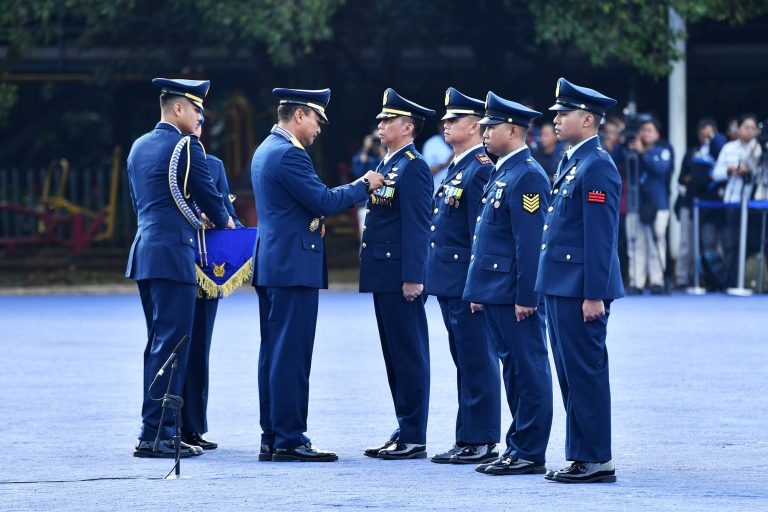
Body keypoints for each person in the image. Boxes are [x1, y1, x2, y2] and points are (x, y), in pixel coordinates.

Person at [250, 88, 384, 462]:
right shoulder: (290, 155)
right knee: (291, 355)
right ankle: (290, 438)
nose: (320, 128)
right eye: (317, 120)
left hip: (275, 264)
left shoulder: (265, 149)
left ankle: (274, 435)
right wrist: (363, 185)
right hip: (293, 267)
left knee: (274, 353)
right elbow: (323, 200)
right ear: (298, 116)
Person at [126, 78, 235, 458]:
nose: (199, 116)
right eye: (196, 109)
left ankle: (157, 428)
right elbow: (211, 197)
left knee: (158, 343)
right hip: (174, 254)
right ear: (178, 109)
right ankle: (157, 433)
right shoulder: (186, 145)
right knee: (174, 347)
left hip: (145, 253)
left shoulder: (139, 145)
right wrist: (224, 221)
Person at [536, 77, 624, 483]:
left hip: (580, 289)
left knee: (585, 371)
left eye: (564, 113)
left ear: (587, 119)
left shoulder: (598, 165)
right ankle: (580, 453)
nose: (556, 119)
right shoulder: (573, 160)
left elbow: (600, 238)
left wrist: (594, 294)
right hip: (560, 284)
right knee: (569, 372)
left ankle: (595, 457)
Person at [464, 92, 553, 476]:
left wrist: (526, 295)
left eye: (490, 127)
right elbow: (488, 237)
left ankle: (530, 450)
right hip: (496, 290)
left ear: (512, 130)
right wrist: (479, 289)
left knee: (528, 369)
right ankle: (517, 445)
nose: (483, 133)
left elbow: (529, 242)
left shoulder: (528, 174)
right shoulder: (504, 169)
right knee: (512, 370)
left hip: (515, 293)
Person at [426, 88, 500, 465]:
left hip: (466, 282)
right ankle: (467, 434)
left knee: (477, 359)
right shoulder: (459, 166)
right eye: (445, 119)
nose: (445, 124)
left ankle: (482, 438)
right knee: (464, 359)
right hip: (450, 281)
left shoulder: (480, 168)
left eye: (453, 120)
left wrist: (478, 285)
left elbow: (479, 236)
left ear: (475, 126)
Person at [360, 88, 434, 460]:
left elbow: (418, 226)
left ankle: (414, 433)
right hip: (382, 272)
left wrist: (414, 276)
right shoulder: (389, 163)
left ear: (408, 127)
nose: (380, 124)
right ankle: (405, 425)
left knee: (408, 354)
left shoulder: (414, 166)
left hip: (400, 275)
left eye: (388, 120)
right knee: (394, 354)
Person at [180, 123, 244, 451]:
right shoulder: (169, 159)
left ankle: (193, 427)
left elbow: (229, 214)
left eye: (203, 122)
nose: (199, 126)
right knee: (174, 349)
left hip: (207, 271)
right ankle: (165, 425)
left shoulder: (214, 165)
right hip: (177, 264)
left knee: (200, 350)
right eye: (196, 118)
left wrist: (232, 226)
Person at [674, 118, 726, 288]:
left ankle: (712, 279)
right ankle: (682, 279)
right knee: (686, 245)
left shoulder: (720, 151)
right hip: (691, 203)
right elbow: (682, 178)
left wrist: (698, 177)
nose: (706, 138)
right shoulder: (691, 152)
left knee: (710, 245)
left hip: (711, 206)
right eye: (703, 135)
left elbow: (720, 175)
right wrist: (696, 178)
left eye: (710, 135)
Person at [711, 113, 762, 287]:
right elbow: (715, 174)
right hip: (732, 201)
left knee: (753, 242)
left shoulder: (760, 149)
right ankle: (730, 282)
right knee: (730, 243)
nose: (749, 131)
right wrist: (730, 170)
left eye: (753, 128)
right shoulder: (729, 148)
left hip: (755, 203)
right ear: (738, 129)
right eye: (746, 127)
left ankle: (748, 281)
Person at [626, 116, 674, 295]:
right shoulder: (630, 149)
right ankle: (636, 281)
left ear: (657, 133)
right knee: (636, 243)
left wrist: (643, 153)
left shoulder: (663, 150)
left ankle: (657, 281)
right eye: (642, 130)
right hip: (635, 203)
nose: (645, 134)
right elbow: (616, 161)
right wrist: (626, 143)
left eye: (649, 130)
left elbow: (660, 168)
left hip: (658, 204)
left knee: (657, 242)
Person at [351, 127, 386, 238]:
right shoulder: (363, 155)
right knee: (365, 240)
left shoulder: (387, 155)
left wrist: (382, 151)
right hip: (365, 204)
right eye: (374, 139)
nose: (376, 142)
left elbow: (392, 172)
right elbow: (356, 171)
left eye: (379, 138)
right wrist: (365, 148)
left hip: (384, 202)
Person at [422, 119, 454, 193]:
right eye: (444, 124)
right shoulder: (432, 143)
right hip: (435, 191)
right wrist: (444, 164)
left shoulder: (460, 141)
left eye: (451, 123)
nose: (446, 127)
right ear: (439, 126)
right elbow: (425, 172)